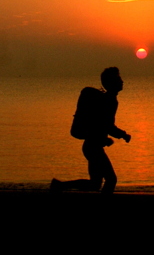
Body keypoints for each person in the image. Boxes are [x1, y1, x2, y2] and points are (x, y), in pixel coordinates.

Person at [50, 66, 131, 194]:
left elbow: (101, 125)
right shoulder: (109, 100)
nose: (122, 81)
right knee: (111, 179)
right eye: (119, 79)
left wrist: (106, 138)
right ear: (111, 83)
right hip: (93, 147)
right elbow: (107, 126)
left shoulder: (108, 99)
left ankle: (59, 186)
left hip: (92, 146)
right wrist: (123, 135)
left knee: (95, 184)